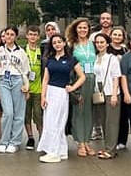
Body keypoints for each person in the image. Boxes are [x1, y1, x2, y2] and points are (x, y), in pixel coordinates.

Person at [38, 34, 85, 163]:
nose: (57, 44)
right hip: (50, 92)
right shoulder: (50, 59)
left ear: (64, 43)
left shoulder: (71, 59)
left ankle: (54, 153)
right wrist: (43, 96)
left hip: (61, 92)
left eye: (59, 42)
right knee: (49, 121)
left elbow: (82, 77)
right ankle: (61, 150)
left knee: (56, 122)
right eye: (54, 43)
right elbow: (45, 79)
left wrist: (73, 87)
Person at [0, 26, 30, 154]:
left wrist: (27, 87)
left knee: (18, 113)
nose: (9, 37)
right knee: (8, 112)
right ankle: (4, 140)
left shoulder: (21, 52)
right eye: (6, 34)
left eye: (12, 34)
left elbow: (26, 71)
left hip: (18, 80)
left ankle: (15, 142)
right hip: (4, 81)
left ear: (16, 36)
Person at [66, 18, 96, 157]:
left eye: (85, 28)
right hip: (79, 80)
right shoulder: (71, 45)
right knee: (79, 110)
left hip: (93, 79)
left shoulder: (93, 44)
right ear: (75, 29)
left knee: (89, 111)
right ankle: (80, 142)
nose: (83, 30)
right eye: (80, 28)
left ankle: (87, 140)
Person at [92, 32, 123, 159]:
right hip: (99, 92)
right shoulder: (95, 58)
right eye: (97, 42)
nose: (99, 45)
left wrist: (115, 94)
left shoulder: (112, 58)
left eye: (102, 42)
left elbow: (116, 77)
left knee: (112, 122)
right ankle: (107, 147)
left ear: (107, 44)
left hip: (111, 91)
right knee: (103, 121)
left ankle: (111, 150)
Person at [22, 25, 43, 151]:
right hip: (25, 88)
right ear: (26, 35)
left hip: (38, 88)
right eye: (30, 34)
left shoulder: (42, 51)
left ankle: (42, 137)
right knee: (26, 114)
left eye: (35, 35)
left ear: (38, 37)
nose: (32, 37)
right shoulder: (22, 50)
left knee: (38, 115)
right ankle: (30, 137)